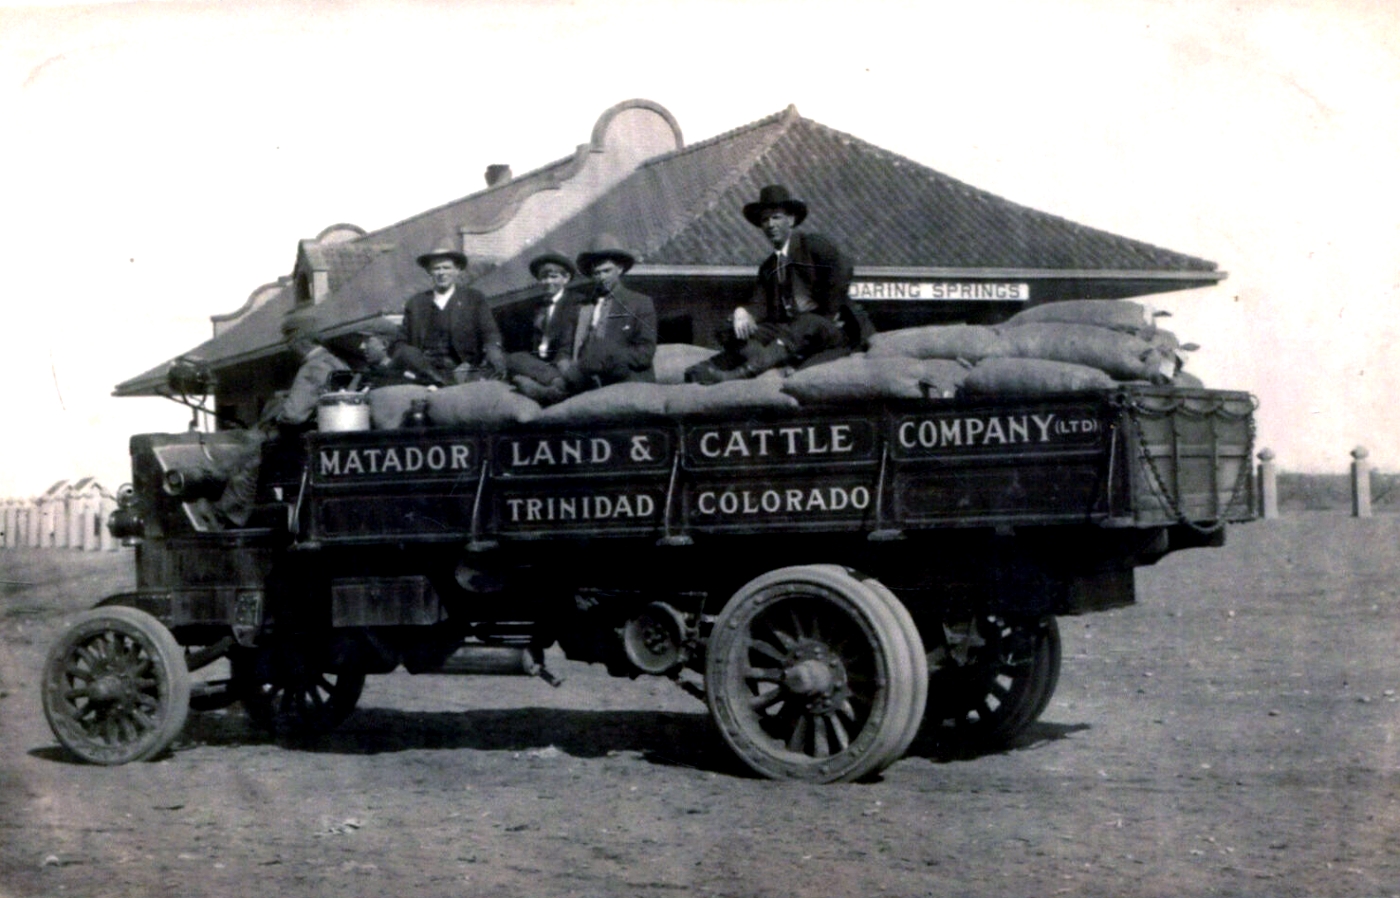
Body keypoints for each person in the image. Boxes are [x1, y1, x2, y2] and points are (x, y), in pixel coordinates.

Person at [686, 184, 869, 383]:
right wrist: (742, 312)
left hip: (829, 331)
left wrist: (830, 312)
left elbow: (843, 268)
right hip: (790, 332)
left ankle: (740, 373)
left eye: (776, 217)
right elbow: (759, 305)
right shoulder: (768, 267)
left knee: (806, 323)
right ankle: (764, 361)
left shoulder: (812, 245)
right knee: (729, 328)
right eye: (765, 220)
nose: (770, 224)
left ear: (791, 220)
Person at [211, 308, 351, 527]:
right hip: (323, 437)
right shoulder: (336, 363)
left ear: (299, 339)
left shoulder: (312, 368)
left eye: (288, 340)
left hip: (299, 440)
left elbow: (293, 416)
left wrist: (277, 413)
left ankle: (230, 514)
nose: (288, 346)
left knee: (250, 452)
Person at [391, 243, 506, 386]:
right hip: (426, 368)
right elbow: (401, 340)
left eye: (446, 268)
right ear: (429, 272)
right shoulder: (416, 303)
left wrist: (493, 349)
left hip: (464, 367)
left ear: (457, 270)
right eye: (436, 268)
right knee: (405, 353)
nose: (441, 273)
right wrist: (405, 354)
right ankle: (438, 382)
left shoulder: (474, 298)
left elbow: (489, 332)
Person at [565, 234, 657, 392]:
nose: (602, 277)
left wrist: (603, 357)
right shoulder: (584, 307)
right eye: (597, 273)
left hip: (628, 384)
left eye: (607, 271)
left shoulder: (640, 303)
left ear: (619, 269)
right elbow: (569, 348)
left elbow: (645, 353)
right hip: (587, 385)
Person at [506, 251, 582, 404]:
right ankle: (550, 387)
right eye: (543, 277)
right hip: (541, 366)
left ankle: (551, 387)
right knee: (514, 358)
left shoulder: (576, 304)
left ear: (566, 278)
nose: (548, 281)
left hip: (564, 364)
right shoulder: (537, 308)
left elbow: (568, 345)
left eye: (553, 277)